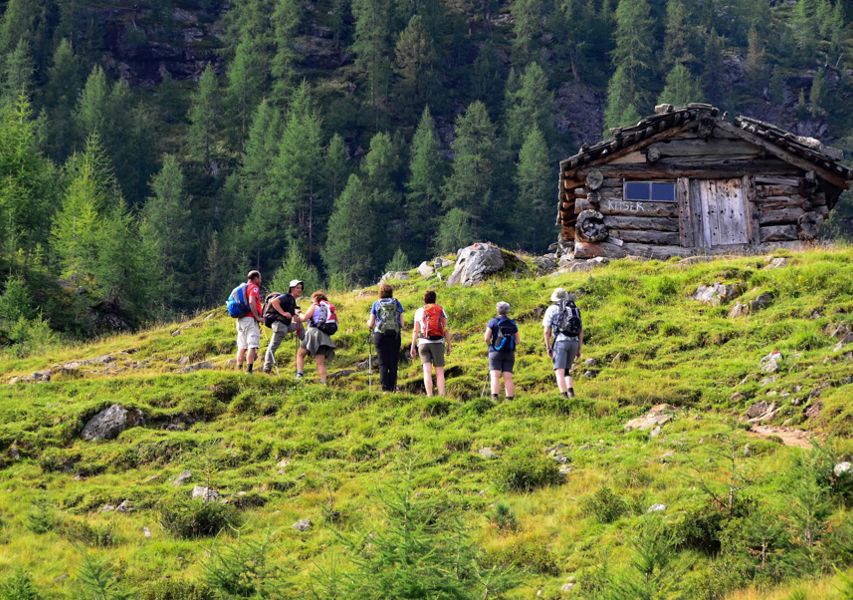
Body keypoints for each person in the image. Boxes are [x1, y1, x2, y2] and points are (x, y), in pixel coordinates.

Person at [543, 287, 583, 398]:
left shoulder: (551, 309)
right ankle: (571, 392)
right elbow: (581, 331)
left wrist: (548, 347)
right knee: (566, 370)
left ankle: (564, 396)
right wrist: (579, 349)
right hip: (574, 342)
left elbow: (547, 331)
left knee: (559, 371)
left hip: (560, 342)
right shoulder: (574, 309)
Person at [410, 290, 451, 397]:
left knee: (427, 372)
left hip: (423, 343)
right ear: (435, 299)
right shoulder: (441, 310)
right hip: (438, 343)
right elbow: (445, 329)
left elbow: (415, 330)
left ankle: (429, 396)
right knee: (439, 372)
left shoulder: (419, 311)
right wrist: (449, 345)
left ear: (424, 300)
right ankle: (442, 396)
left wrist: (412, 346)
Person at [367, 283, 405, 392]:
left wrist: (367, 323)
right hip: (395, 335)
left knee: (383, 363)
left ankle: (385, 390)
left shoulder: (376, 304)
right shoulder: (397, 303)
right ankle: (393, 388)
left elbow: (371, 324)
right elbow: (402, 324)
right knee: (393, 363)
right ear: (391, 292)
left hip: (380, 335)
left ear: (380, 293)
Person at [262, 280, 305, 374]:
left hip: (285, 325)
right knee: (273, 346)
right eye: (297, 288)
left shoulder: (292, 300)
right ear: (292, 289)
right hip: (280, 325)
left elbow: (292, 313)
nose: (300, 290)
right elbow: (274, 302)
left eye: (301, 288)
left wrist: (295, 315)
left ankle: (306, 347)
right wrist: (283, 313)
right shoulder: (286, 296)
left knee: (299, 326)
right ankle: (267, 368)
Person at [296, 291, 337, 383]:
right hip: (324, 337)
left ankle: (299, 375)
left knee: (300, 354)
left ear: (315, 298)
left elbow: (304, 318)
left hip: (313, 333)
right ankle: (323, 383)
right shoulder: (328, 309)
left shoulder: (314, 306)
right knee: (320, 363)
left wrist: (298, 313)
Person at [484, 301, 520, 401]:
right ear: (508, 311)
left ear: (497, 309)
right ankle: (509, 399)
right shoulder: (512, 323)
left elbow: (486, 338)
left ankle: (494, 397)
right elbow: (518, 341)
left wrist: (490, 346)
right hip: (509, 353)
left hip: (495, 352)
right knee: (508, 377)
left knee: (495, 375)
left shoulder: (493, 321)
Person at [231, 270, 263, 373]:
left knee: (242, 346)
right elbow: (251, 301)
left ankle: (239, 369)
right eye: (260, 278)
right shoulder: (253, 287)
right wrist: (257, 317)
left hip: (240, 320)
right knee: (252, 345)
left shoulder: (243, 288)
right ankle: (249, 371)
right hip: (250, 320)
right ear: (256, 278)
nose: (260, 280)